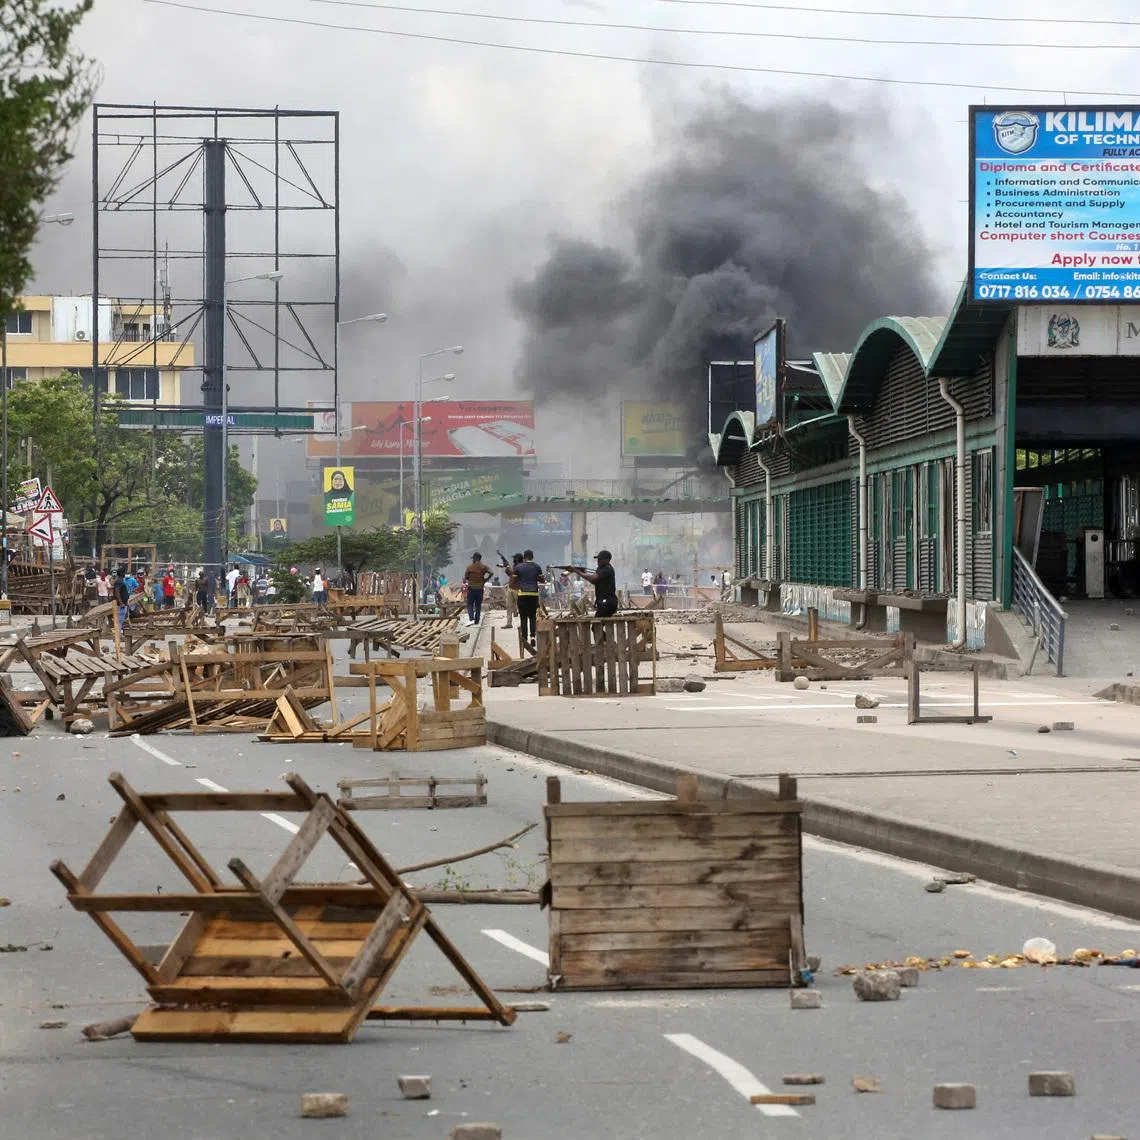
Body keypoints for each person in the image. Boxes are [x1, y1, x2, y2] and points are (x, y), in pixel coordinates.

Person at [566, 550, 619, 618]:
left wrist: (576, 571)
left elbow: (592, 578)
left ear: (607, 560)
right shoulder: (601, 569)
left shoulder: (607, 569)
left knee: (596, 625)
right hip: (604, 603)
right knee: (597, 626)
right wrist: (581, 572)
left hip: (607, 603)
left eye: (600, 559)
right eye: (598, 559)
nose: (598, 560)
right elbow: (594, 581)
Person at [510, 549, 545, 644]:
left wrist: (520, 583)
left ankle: (524, 638)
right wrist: (535, 578)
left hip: (522, 595)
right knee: (532, 617)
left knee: (523, 617)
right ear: (532, 557)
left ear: (524, 557)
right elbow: (542, 580)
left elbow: (512, 583)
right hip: (534, 594)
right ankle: (533, 637)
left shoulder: (518, 567)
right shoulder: (537, 567)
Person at [464, 552, 493, 626]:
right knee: (478, 605)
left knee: (470, 604)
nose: (472, 560)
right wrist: (485, 579)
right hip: (480, 588)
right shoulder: (484, 567)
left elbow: (466, 577)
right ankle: (477, 621)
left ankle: (471, 619)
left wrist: (471, 579)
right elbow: (491, 572)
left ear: (475, 558)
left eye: (473, 558)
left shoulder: (470, 567)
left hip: (471, 589)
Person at [504, 553, 522, 629]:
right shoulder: (514, 566)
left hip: (518, 589)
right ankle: (509, 623)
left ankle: (522, 623)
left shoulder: (521, 567)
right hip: (510, 587)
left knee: (520, 607)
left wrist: (508, 567)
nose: (513, 559)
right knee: (508, 606)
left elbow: (513, 574)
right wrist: (506, 568)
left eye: (515, 558)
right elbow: (510, 575)